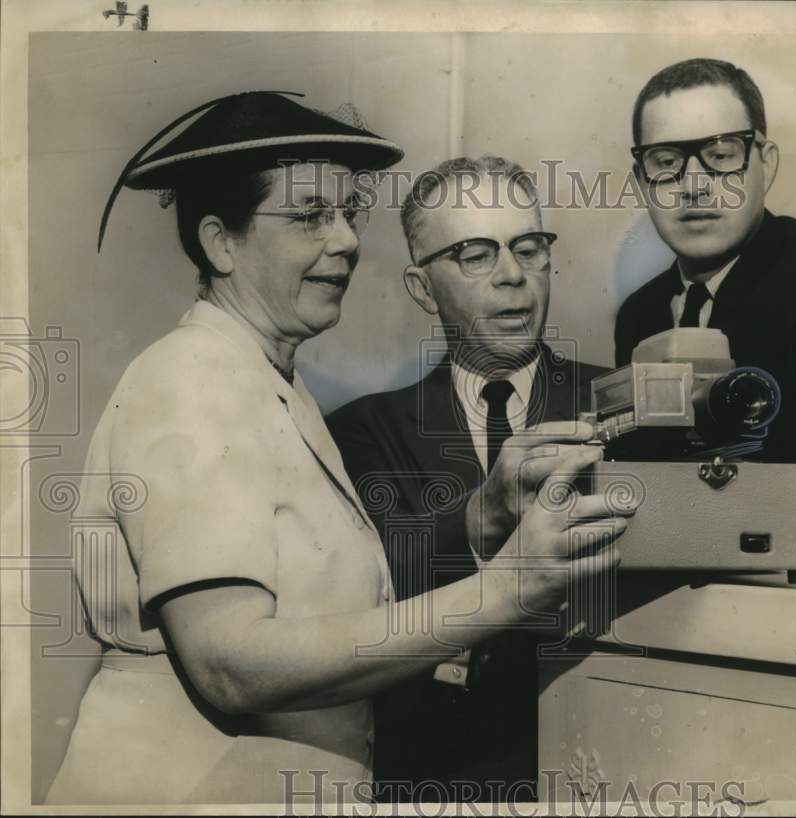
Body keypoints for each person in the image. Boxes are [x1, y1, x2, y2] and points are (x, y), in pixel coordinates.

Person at [46, 96, 629, 806]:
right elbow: (230, 662)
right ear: (219, 243)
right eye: (310, 215)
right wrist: (506, 589)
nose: (349, 240)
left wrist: (479, 522)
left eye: (349, 212)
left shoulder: (268, 386)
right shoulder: (189, 380)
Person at [327, 156, 607, 802]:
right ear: (423, 289)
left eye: (528, 248)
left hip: (603, 758)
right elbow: (368, 590)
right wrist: (483, 513)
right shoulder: (365, 431)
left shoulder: (621, 404)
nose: (513, 276)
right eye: (476, 255)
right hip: (439, 777)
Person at [615, 58, 796, 525]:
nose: (694, 186)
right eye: (666, 162)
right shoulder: (639, 314)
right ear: (642, 180)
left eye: (721, 155)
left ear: (766, 164)